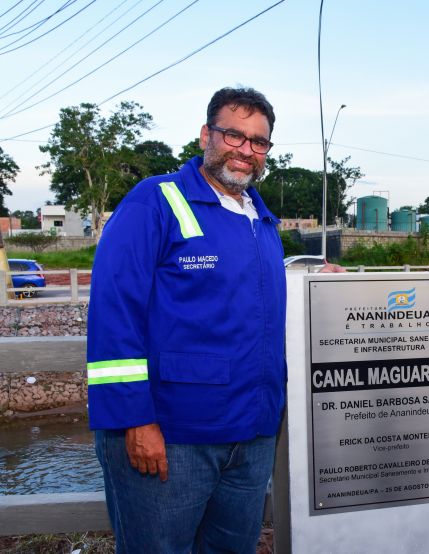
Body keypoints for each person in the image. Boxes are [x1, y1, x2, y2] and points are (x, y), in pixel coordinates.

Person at [88, 86, 289, 553]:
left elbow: (253, 301)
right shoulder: (154, 202)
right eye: (233, 135)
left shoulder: (260, 217)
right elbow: (114, 316)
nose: (245, 151)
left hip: (253, 434)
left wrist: (319, 279)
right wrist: (134, 421)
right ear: (205, 135)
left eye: (259, 142)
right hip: (172, 438)